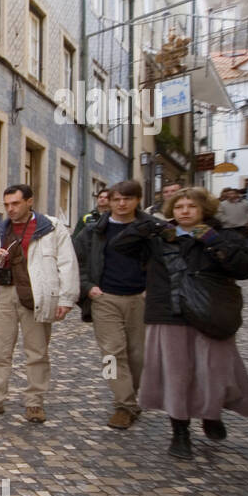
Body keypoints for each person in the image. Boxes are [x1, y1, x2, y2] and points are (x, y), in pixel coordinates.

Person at [110, 187, 248, 460]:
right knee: (177, 376)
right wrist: (146, 228)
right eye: (179, 207)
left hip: (211, 314)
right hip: (169, 313)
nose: (185, 211)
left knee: (213, 371)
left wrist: (214, 242)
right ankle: (180, 432)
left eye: (191, 206)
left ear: (203, 209)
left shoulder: (224, 236)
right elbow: (120, 246)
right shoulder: (159, 238)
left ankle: (210, 414)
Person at [0, 183, 79, 423]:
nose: (10, 208)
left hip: (36, 295)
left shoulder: (51, 228)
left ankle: (34, 403)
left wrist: (66, 298)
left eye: (15, 203)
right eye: (7, 204)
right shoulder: (0, 230)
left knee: (37, 352)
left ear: (30, 201)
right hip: (5, 294)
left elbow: (67, 263)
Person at [74, 180, 149, 429]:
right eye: (117, 199)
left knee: (137, 355)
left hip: (139, 298)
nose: (121, 204)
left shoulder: (149, 230)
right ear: (109, 201)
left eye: (127, 199)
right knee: (111, 353)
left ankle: (131, 396)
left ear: (137, 200)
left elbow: (162, 263)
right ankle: (123, 404)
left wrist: (152, 288)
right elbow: (78, 262)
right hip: (105, 299)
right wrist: (88, 287)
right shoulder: (94, 231)